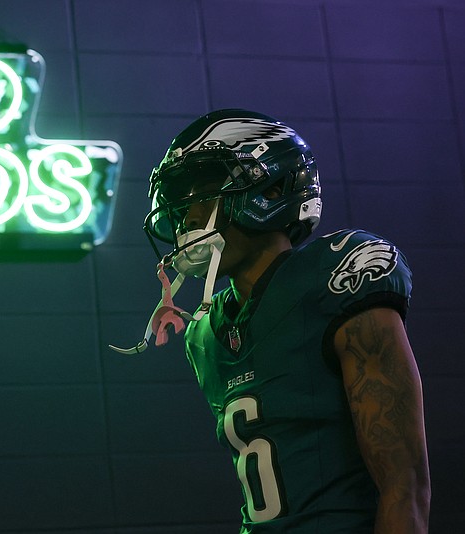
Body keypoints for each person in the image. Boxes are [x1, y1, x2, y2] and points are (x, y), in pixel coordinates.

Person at [111, 109, 430, 532]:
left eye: (204, 192)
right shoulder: (205, 334)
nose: (187, 216)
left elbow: (403, 484)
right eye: (181, 200)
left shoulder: (335, 276)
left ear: (273, 187)